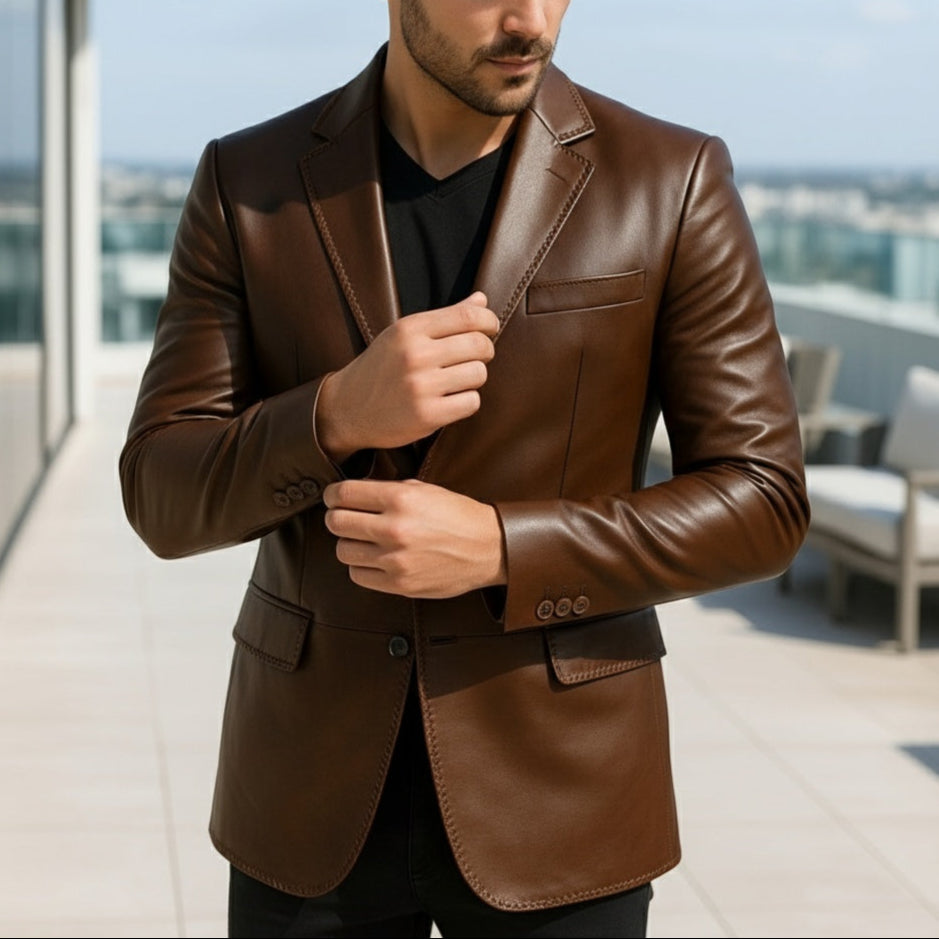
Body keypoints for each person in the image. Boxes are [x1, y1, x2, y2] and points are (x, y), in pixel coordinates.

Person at [119, 2, 810, 936]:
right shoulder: (249, 180)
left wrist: (499, 547)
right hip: (307, 794)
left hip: (562, 796)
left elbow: (761, 498)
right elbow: (163, 492)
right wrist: (333, 413)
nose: (530, 20)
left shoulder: (670, 177)